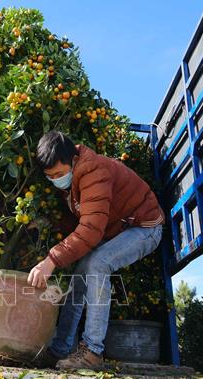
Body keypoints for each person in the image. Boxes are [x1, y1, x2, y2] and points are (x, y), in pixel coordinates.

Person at [28, 131, 164, 370]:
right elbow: (84, 218)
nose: (56, 179)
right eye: (50, 177)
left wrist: (51, 259)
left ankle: (92, 351)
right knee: (80, 276)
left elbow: (90, 230)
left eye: (60, 174)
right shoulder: (72, 178)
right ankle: (60, 349)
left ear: (72, 159)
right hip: (114, 230)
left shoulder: (94, 171)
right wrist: (50, 224)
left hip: (144, 227)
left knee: (97, 264)